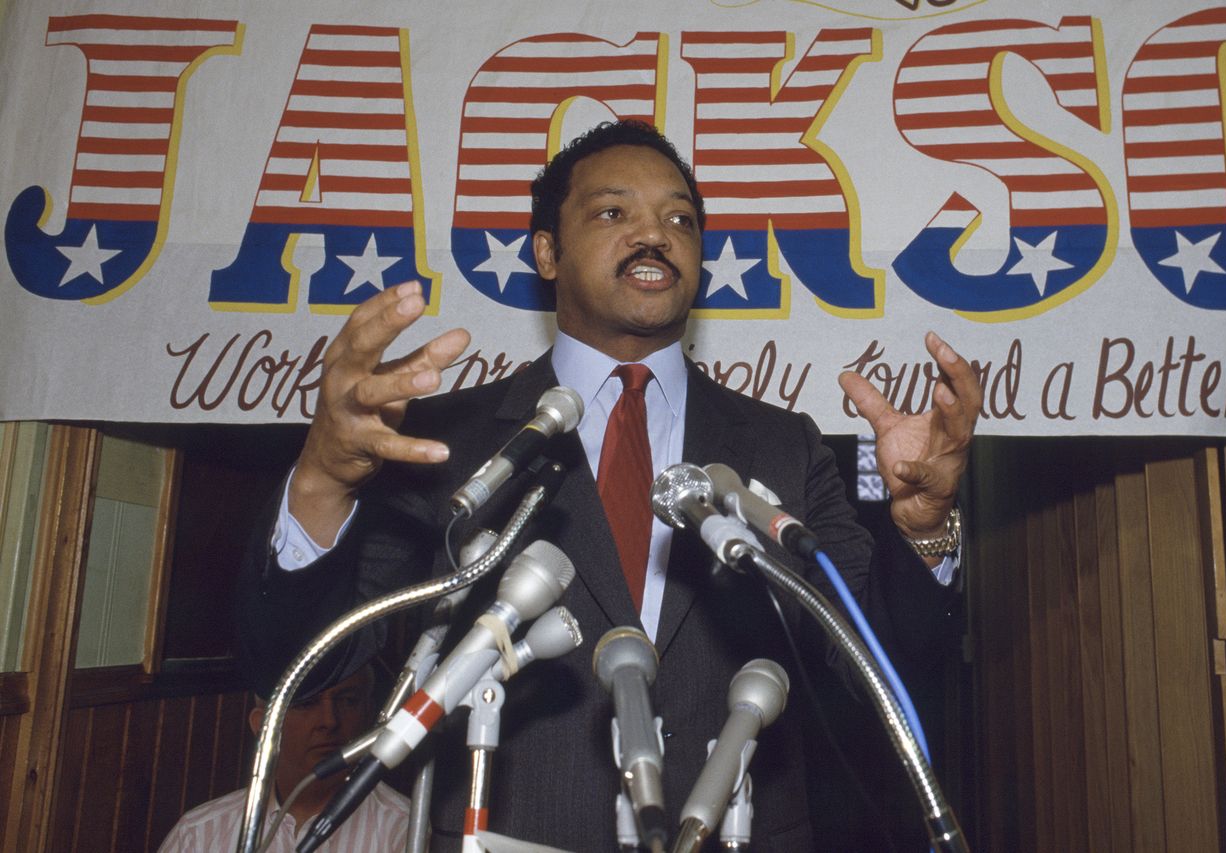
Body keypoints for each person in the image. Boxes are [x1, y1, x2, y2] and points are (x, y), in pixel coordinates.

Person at [237, 120, 980, 851]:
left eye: (679, 219)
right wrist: (321, 485)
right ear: (547, 252)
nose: (654, 235)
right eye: (613, 213)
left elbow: (884, 664)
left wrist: (923, 523)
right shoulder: (450, 443)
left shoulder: (783, 444)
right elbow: (302, 662)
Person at [157, 664, 409, 852]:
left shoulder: (402, 827)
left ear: (368, 714)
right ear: (262, 726)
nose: (329, 720)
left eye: (348, 701)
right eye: (306, 703)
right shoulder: (198, 834)